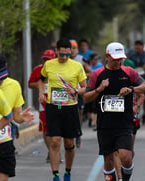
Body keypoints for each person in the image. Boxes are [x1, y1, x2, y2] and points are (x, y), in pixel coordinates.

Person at [84, 42, 145, 181]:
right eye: (116, 59)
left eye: (121, 58)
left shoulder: (129, 72)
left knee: (126, 157)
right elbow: (86, 98)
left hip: (124, 123)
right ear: (107, 56)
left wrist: (131, 89)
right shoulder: (97, 74)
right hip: (105, 124)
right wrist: (99, 89)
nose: (119, 61)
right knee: (108, 161)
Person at [38, 38, 87, 181]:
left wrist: (75, 90)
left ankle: (67, 171)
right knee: (54, 141)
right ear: (56, 52)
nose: (64, 57)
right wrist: (41, 94)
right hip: (53, 107)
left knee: (69, 143)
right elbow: (41, 80)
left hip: (70, 108)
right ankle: (55, 175)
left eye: (67, 55)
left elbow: (85, 87)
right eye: (62, 55)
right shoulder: (49, 65)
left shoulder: (77, 66)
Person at [0, 53, 34, 181]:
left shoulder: (14, 85)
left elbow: (16, 116)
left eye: (2, 76)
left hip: (4, 140)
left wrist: (22, 117)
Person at [28, 49, 59, 162]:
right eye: (45, 59)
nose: (46, 61)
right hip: (43, 103)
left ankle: (56, 150)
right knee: (45, 127)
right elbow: (30, 84)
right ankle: (50, 151)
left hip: (57, 101)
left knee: (57, 126)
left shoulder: (59, 68)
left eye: (49, 59)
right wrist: (40, 83)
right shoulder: (38, 69)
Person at [127, 40, 145, 125]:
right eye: (136, 47)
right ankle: (137, 113)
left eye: (139, 47)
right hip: (135, 78)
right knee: (136, 95)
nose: (137, 48)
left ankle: (144, 114)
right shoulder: (132, 55)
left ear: (142, 47)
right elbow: (130, 66)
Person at [70, 39, 92, 148]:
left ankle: (78, 133)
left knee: (79, 111)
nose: (72, 51)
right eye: (70, 48)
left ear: (77, 50)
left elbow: (90, 72)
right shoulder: (61, 60)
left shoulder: (81, 59)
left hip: (79, 90)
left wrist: (80, 76)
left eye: (74, 48)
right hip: (66, 92)